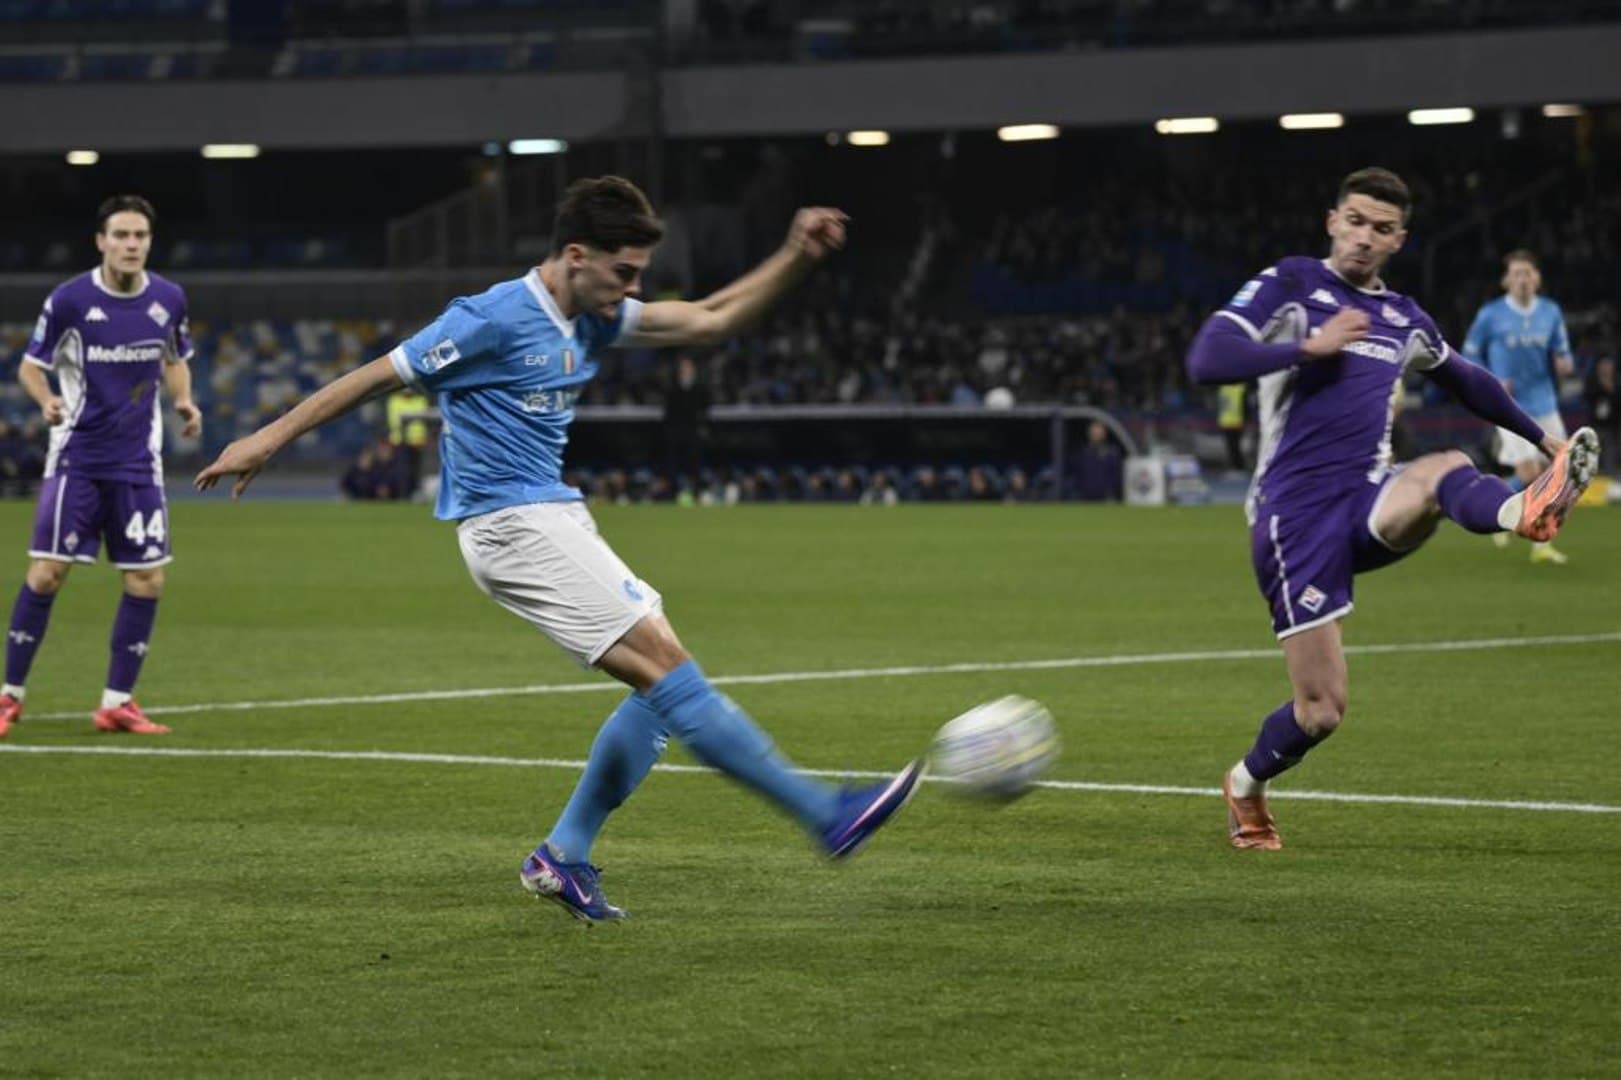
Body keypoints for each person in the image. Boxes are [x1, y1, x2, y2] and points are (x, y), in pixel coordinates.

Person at [196, 176, 921, 919]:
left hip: (552, 515)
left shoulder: (591, 315)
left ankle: (564, 854)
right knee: (671, 675)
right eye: (623, 272)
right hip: (510, 524)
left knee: (662, 689)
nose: (633, 288)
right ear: (576, 256)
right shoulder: (490, 318)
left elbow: (709, 318)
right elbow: (375, 376)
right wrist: (266, 440)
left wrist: (797, 255)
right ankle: (823, 814)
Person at [1185, 167, 1599, 851]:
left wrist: (1541, 439)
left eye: (1381, 229)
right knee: (1321, 711)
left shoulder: (1402, 316)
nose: (1364, 238)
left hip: (1367, 497)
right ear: (1332, 221)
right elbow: (1206, 358)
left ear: (1398, 240)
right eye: (1354, 222)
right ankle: (1245, 783)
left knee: (1446, 468)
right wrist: (1308, 347)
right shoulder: (1292, 283)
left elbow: (1467, 379)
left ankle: (1520, 511)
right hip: (1293, 518)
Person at [0, 195, 201, 740]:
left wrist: (184, 400)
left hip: (138, 465)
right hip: (78, 460)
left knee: (147, 579)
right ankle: (9, 696)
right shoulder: (70, 300)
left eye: (140, 236)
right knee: (47, 572)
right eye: (121, 235)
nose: (131, 244)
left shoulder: (168, 298)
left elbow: (175, 358)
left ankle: (117, 702)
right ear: (101, 241)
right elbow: (30, 367)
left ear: (149, 242)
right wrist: (46, 399)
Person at [1461, 250, 1577, 563]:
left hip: (1545, 401)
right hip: (1509, 407)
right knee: (1529, 471)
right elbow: (1469, 353)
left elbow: (1563, 351)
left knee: (1559, 471)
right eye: (1516, 274)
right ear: (1506, 280)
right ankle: (1495, 506)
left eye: (1527, 273)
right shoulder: (1490, 314)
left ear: (1537, 278)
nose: (1522, 279)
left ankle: (1540, 544)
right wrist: (1492, 379)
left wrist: (1565, 362)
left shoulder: (1551, 312)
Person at [1585, 356, 1617, 472]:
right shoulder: (1592, 381)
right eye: (1604, 365)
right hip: (1595, 425)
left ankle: (1610, 474)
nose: (1606, 368)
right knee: (1593, 455)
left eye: (1609, 365)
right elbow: (1587, 397)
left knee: (1610, 455)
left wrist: (1610, 387)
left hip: (1612, 426)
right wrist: (1602, 384)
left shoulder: (1616, 381)